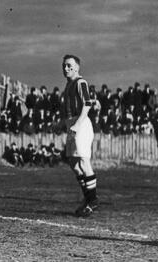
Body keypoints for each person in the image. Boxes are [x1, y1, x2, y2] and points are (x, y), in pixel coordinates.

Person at [62, 54, 98, 217]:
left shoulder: (80, 82)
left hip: (81, 124)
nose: (66, 68)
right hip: (73, 123)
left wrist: (77, 124)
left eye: (69, 66)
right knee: (73, 164)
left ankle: (92, 201)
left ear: (77, 67)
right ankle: (88, 199)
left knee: (83, 161)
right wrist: (62, 124)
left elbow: (88, 103)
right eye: (64, 66)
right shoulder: (68, 86)